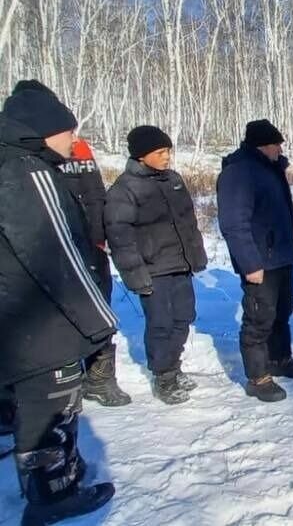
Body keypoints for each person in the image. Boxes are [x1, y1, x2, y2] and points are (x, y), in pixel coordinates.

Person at [0, 80, 115, 523]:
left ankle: (55, 475)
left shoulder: (13, 166)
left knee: (37, 405)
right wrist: (98, 320)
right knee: (52, 406)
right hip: (43, 322)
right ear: (44, 129)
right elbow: (61, 255)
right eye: (68, 130)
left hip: (22, 320)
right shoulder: (28, 174)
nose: (74, 138)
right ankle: (53, 494)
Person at [105, 126, 207, 405]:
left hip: (180, 264)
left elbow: (188, 223)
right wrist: (135, 274)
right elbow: (119, 236)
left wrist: (196, 255)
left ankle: (174, 366)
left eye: (168, 152)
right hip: (153, 269)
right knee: (161, 323)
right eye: (160, 152)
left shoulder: (173, 180)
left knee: (183, 317)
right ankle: (163, 375)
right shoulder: (125, 189)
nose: (167, 157)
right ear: (141, 156)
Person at [217, 119, 293, 403]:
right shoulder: (239, 172)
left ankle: (280, 359)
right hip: (260, 263)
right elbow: (234, 222)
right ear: (262, 145)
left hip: (281, 257)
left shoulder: (270, 169)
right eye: (276, 144)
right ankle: (258, 377)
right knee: (258, 319)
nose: (280, 149)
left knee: (281, 314)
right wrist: (249, 263)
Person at [60, 136, 133, 407]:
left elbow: (95, 196)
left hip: (92, 245)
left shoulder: (78, 148)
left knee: (99, 310)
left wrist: (102, 237)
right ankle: (64, 385)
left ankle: (99, 378)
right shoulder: (21, 156)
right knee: (58, 320)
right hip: (55, 247)